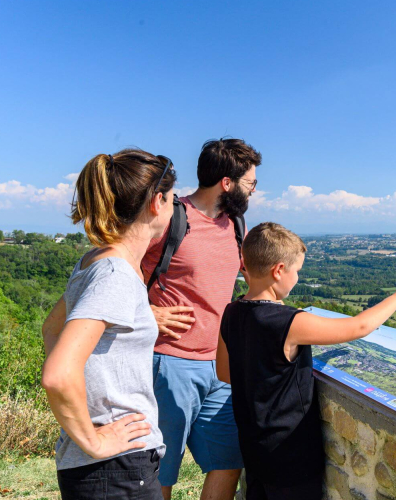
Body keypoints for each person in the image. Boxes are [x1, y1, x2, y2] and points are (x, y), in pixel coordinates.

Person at [215, 222, 396, 500]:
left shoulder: (231, 312)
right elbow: (358, 327)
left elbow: (225, 372)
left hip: (254, 450)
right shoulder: (288, 323)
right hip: (291, 457)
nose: (297, 278)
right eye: (297, 271)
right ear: (278, 271)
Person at [41, 149, 176, 500]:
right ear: (157, 202)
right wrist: (94, 438)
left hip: (104, 469)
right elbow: (57, 373)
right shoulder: (115, 273)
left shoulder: (94, 261)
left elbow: (52, 329)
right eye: (173, 200)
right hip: (116, 468)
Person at [141, 138, 261, 500]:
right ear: (228, 183)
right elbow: (119, 267)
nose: (254, 191)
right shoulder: (171, 218)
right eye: (250, 183)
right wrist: (144, 312)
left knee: (229, 460)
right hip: (169, 362)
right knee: (159, 471)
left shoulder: (236, 224)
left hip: (221, 365)